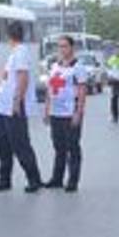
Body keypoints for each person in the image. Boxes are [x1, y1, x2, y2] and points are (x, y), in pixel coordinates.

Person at [0, 21, 43, 193]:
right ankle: (4, 178)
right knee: (2, 145)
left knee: (20, 144)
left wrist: (17, 100)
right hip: (2, 106)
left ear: (9, 36)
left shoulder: (21, 52)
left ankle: (34, 179)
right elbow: (9, 75)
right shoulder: (14, 53)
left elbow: (23, 77)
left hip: (13, 105)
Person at [43, 35, 88, 192]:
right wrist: (46, 109)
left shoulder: (78, 67)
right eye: (60, 46)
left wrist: (78, 112)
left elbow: (82, 91)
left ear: (72, 48)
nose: (62, 49)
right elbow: (50, 89)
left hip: (70, 113)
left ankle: (73, 180)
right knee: (58, 147)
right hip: (56, 113)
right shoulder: (55, 66)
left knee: (72, 147)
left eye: (65, 46)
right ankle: (57, 178)